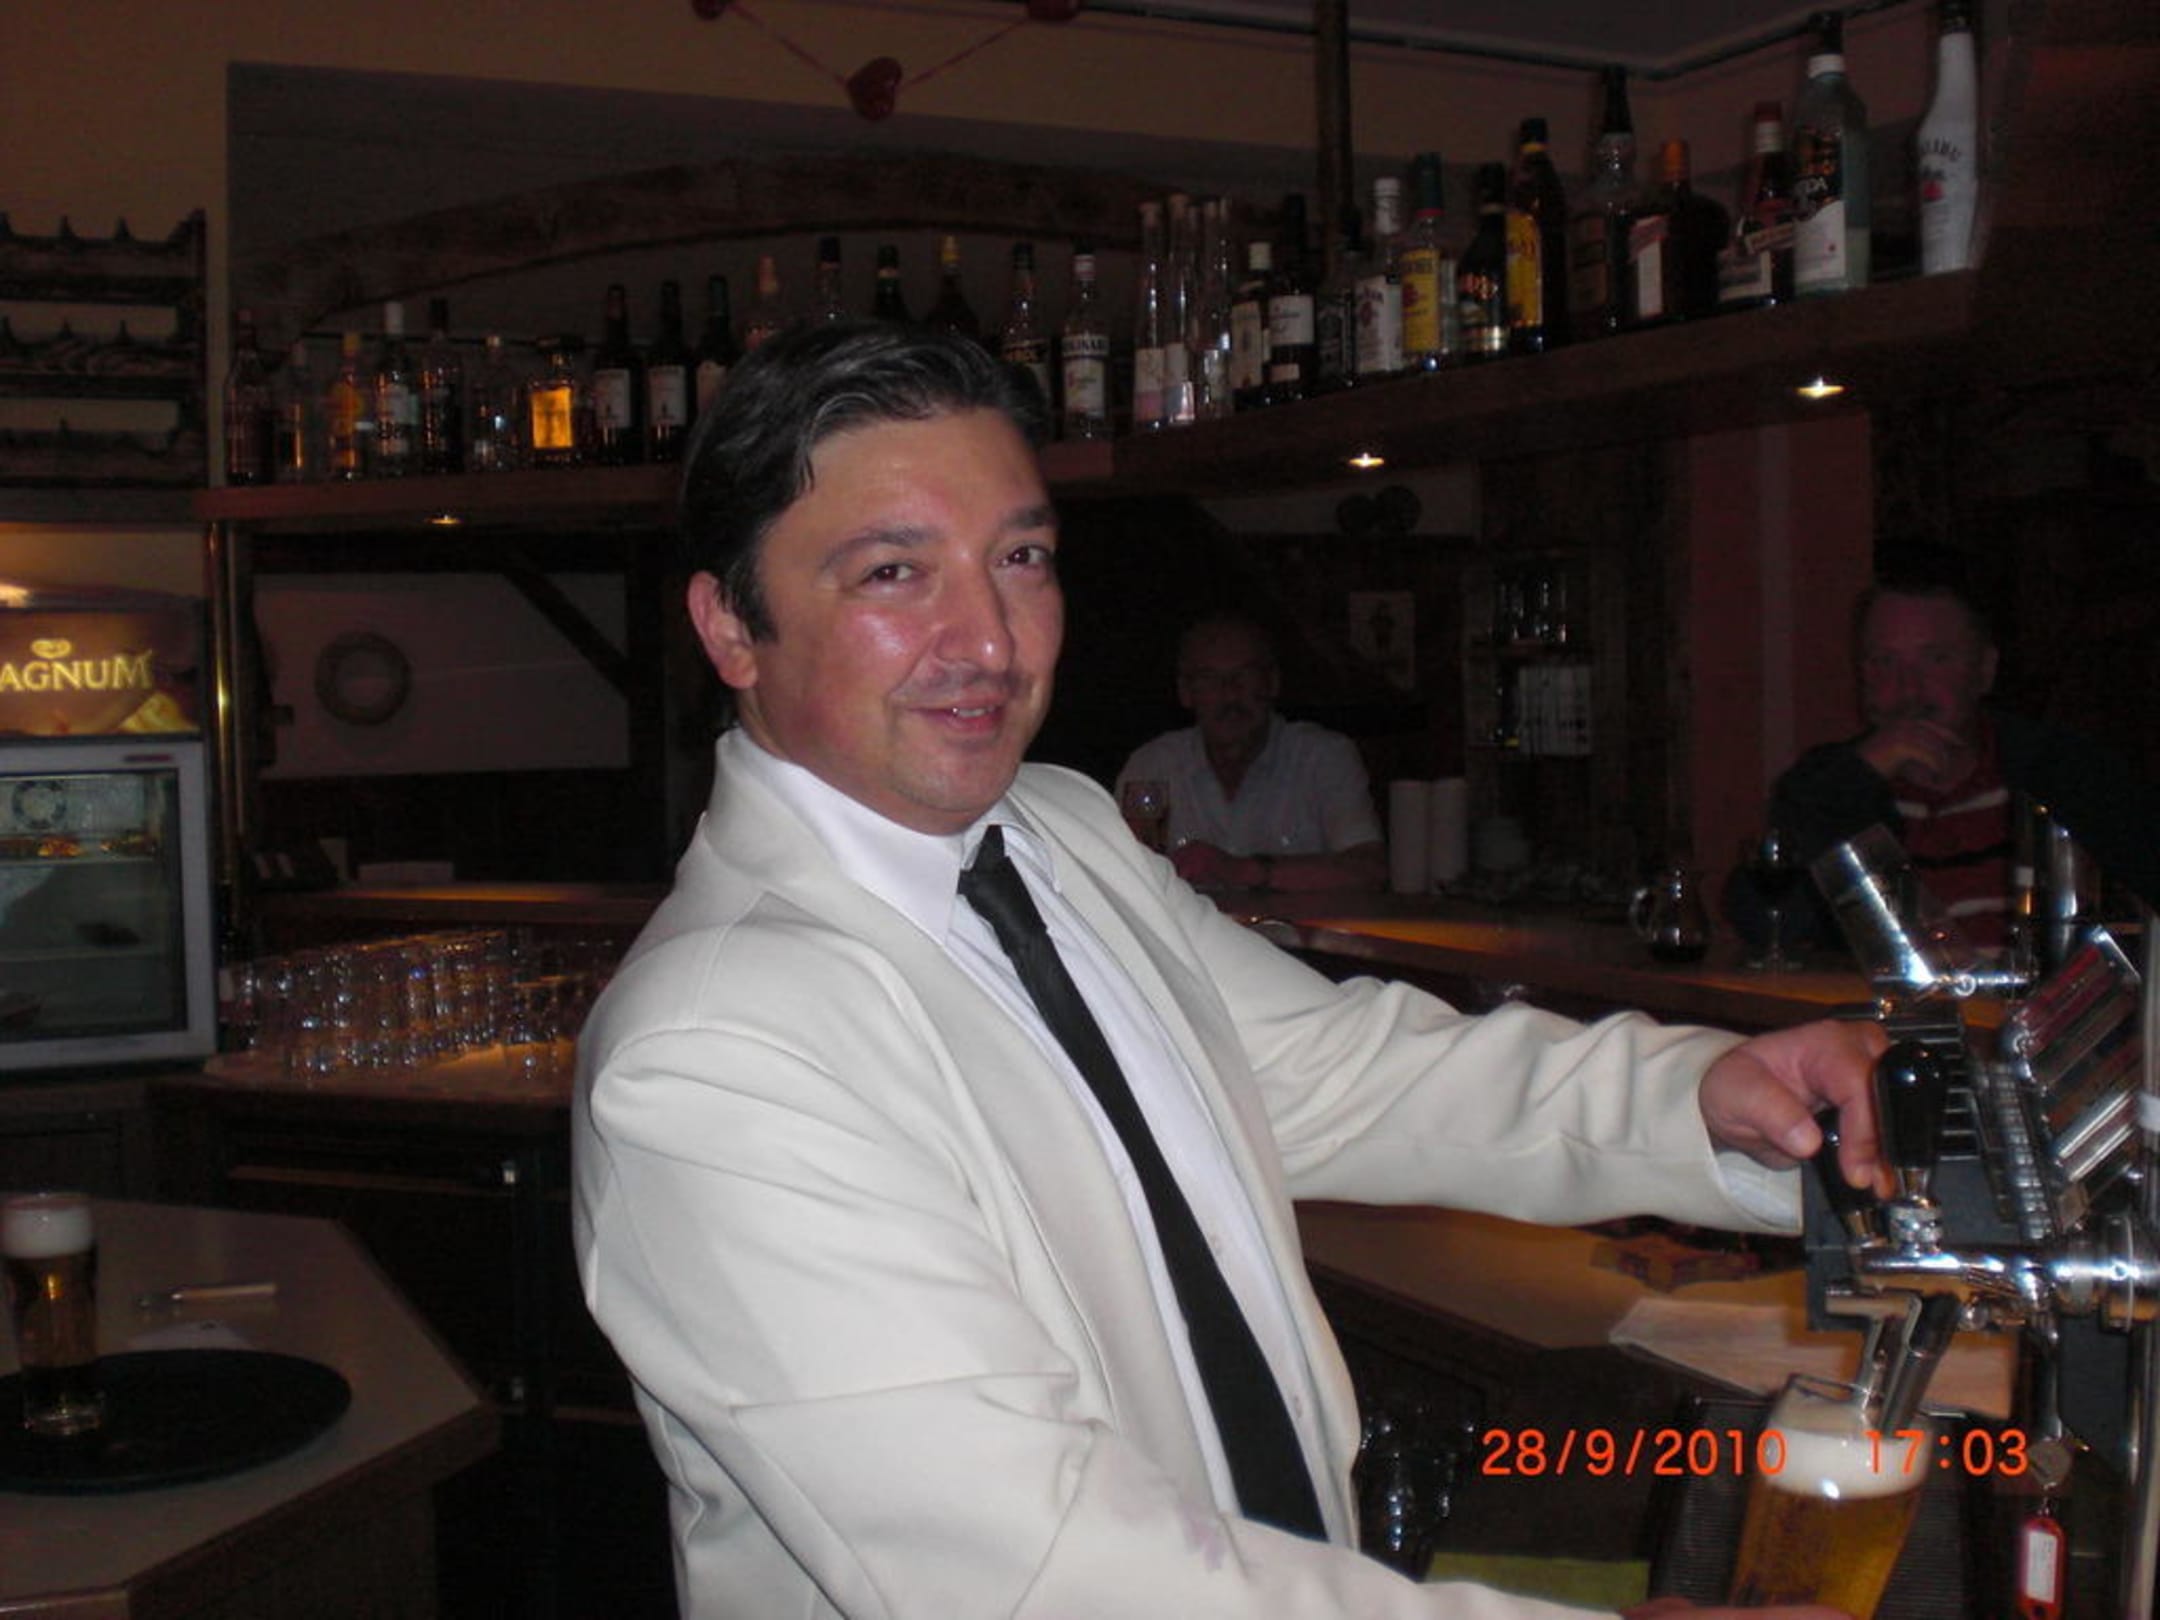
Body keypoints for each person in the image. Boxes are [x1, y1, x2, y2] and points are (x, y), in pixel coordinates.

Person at [572, 319, 1882, 1620]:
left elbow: (1337, 1073)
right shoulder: (715, 1048)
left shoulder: (1059, 830)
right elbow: (1029, 1570)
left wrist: (1713, 1102)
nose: (991, 640)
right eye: (893, 573)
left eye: (1020, 558)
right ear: (732, 627)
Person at [1729, 578, 2160, 953]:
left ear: (1984, 670)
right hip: (1888, 1020)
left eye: (1935, 659)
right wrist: (1852, 781)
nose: (1907, 688)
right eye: (1883, 661)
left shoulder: (2065, 772)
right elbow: (1771, 929)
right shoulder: (1827, 788)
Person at [1116, 612, 1388, 893]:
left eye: (1245, 675)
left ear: (1272, 682)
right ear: (1185, 692)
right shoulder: (1152, 765)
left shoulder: (1322, 757)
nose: (1230, 694)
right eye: (1210, 679)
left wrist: (1244, 871)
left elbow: (1369, 869)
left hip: (1293, 924)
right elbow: (1120, 875)